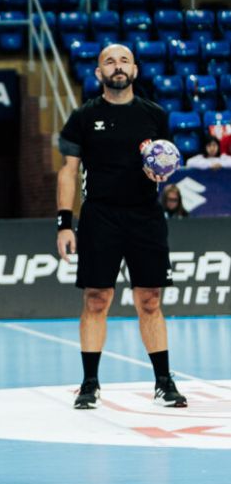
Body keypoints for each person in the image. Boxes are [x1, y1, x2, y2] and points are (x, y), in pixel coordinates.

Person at [56, 43, 187, 411]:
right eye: (110, 61)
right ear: (99, 72)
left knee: (150, 300)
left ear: (135, 70)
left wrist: (161, 172)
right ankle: (89, 384)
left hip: (145, 215)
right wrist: (64, 222)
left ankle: (163, 382)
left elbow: (167, 160)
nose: (118, 66)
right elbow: (68, 171)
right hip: (100, 216)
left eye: (124, 61)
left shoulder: (155, 115)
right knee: (96, 299)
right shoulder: (83, 117)